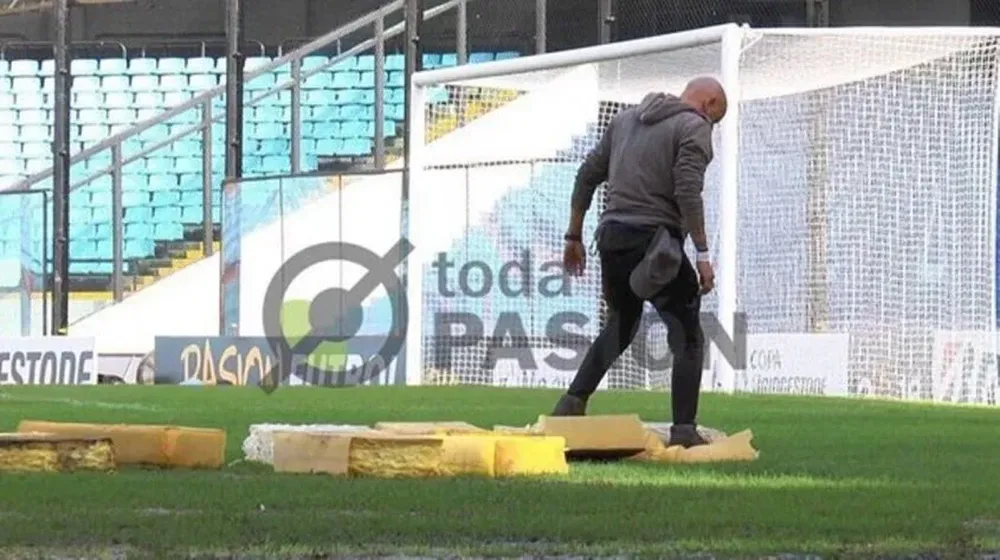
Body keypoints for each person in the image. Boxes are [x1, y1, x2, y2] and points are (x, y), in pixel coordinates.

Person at [551, 76, 728, 448]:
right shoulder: (693, 126)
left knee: (622, 323)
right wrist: (702, 255)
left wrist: (573, 235)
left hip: (612, 240)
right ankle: (683, 429)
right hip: (656, 246)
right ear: (709, 104)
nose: (712, 127)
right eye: (716, 119)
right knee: (688, 334)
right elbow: (686, 190)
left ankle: (571, 402)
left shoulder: (624, 120)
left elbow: (587, 176)